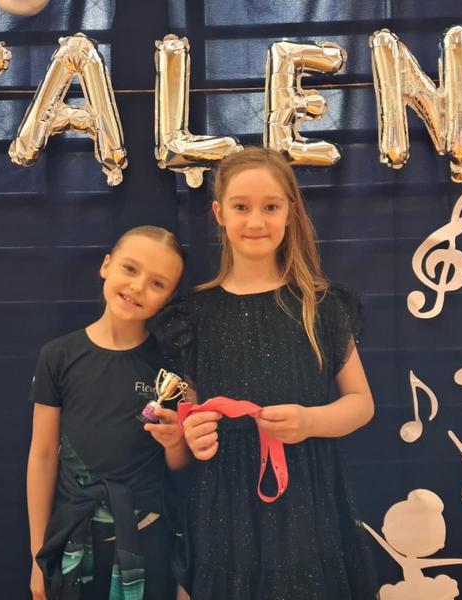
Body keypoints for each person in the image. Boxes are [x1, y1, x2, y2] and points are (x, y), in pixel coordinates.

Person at [153, 147, 376, 599]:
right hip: (224, 510)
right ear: (219, 213)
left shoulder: (322, 306)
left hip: (309, 506)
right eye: (241, 207)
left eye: (270, 207)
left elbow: (361, 404)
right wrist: (193, 435)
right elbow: (189, 416)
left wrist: (311, 421)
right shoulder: (193, 317)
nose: (256, 221)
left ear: (290, 212)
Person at [27, 225, 188, 600]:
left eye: (157, 283)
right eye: (130, 269)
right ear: (106, 265)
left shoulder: (171, 366)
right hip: (72, 541)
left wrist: (174, 442)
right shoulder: (58, 356)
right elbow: (43, 454)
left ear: (168, 297)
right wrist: (38, 556)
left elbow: (181, 468)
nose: (137, 287)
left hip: (147, 541)